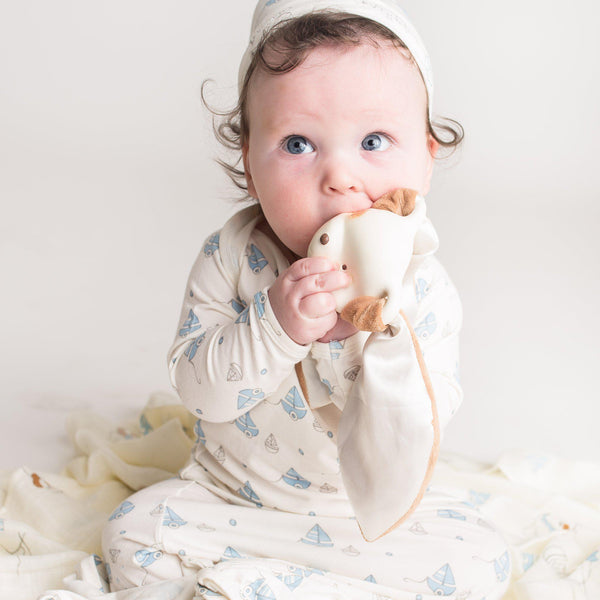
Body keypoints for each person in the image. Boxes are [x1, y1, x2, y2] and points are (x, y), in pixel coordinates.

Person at [101, 1, 512, 598]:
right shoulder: (232, 256)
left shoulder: (422, 285)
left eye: (373, 140)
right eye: (297, 144)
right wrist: (275, 326)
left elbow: (427, 418)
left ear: (425, 157)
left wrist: (381, 338)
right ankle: (269, 582)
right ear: (248, 161)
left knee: (484, 562)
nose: (340, 177)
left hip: (363, 523)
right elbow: (197, 389)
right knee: (130, 533)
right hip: (229, 500)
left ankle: (254, 588)